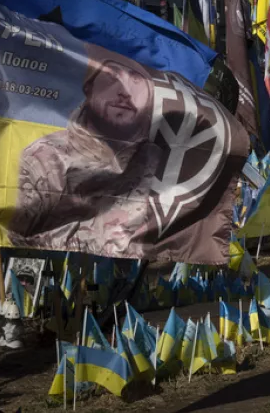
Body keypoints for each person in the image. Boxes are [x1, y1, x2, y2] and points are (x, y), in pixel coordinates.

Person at [11, 49, 160, 258]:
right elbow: (18, 240)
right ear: (89, 88)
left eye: (137, 79)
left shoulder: (167, 160)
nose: (125, 92)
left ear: (151, 95)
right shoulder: (45, 156)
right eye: (111, 76)